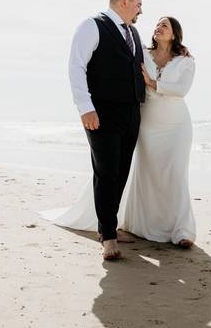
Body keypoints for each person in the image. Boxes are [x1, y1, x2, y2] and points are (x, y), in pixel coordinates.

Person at [42, 14, 198, 251]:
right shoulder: (142, 53)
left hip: (177, 126)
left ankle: (182, 229)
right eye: (156, 25)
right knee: (147, 174)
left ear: (175, 33)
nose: (158, 27)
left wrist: (153, 83)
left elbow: (182, 89)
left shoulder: (186, 60)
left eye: (164, 25)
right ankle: (143, 224)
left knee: (175, 173)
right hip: (147, 124)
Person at [52, 0, 146, 260]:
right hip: (101, 112)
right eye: (139, 4)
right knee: (106, 172)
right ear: (125, 2)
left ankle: (108, 226)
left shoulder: (133, 32)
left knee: (121, 172)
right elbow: (76, 66)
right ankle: (108, 236)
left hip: (131, 112)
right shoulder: (92, 26)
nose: (141, 10)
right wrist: (85, 107)